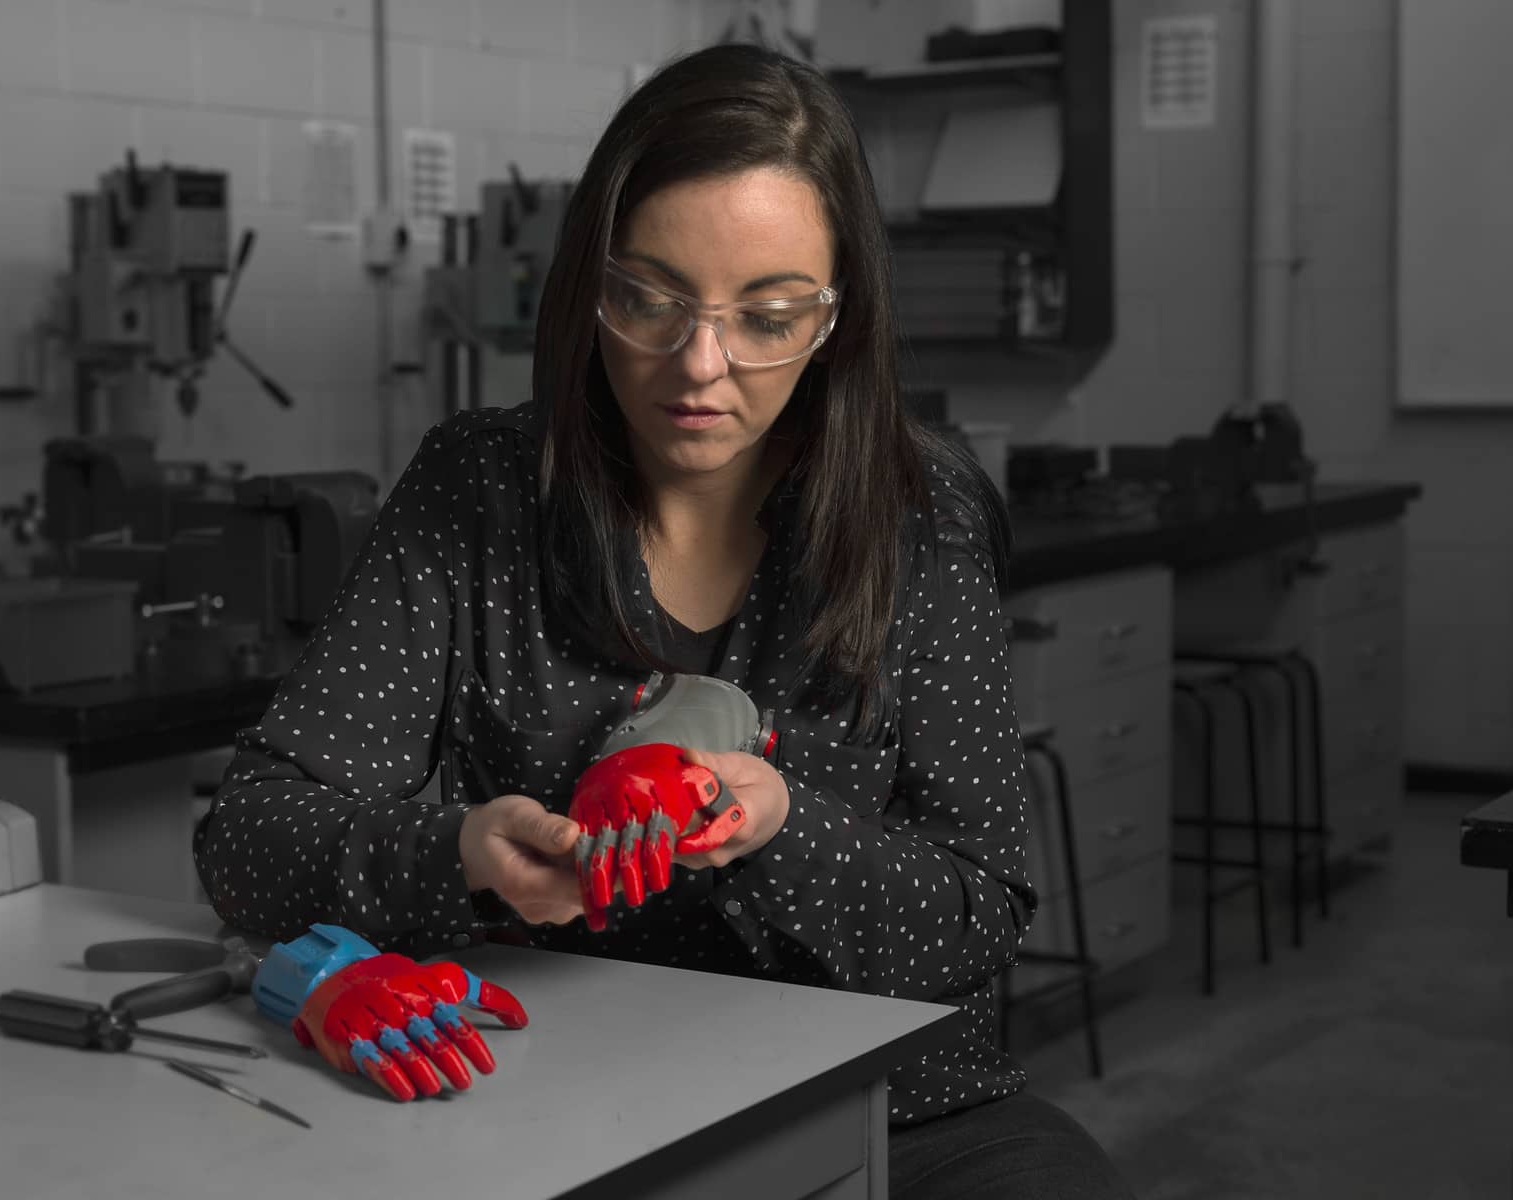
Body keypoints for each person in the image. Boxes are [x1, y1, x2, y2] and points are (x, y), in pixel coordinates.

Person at [195, 40, 1132, 1199]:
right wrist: (459, 857)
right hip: (563, 1094)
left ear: (837, 315)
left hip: (899, 1110)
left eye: (769, 314)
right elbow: (247, 841)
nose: (701, 364)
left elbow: (975, 921)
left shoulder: (915, 509)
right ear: (590, 282)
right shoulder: (481, 488)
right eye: (648, 298)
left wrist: (782, 832)